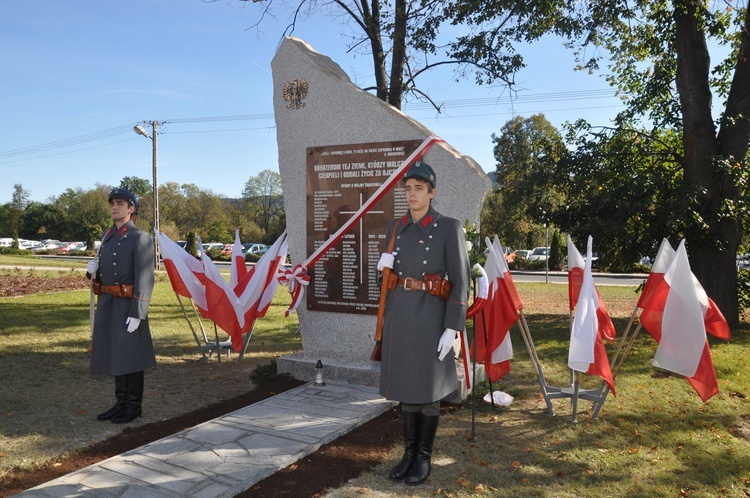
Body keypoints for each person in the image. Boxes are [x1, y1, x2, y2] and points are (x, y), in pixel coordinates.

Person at [376, 161, 470, 486]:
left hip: (432, 316)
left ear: (432, 192)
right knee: (406, 386)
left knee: (428, 390)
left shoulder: (448, 227)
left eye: (419, 188)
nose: (412, 194)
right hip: (400, 315)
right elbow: (385, 286)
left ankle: (424, 458)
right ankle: (408, 453)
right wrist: (381, 270)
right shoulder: (395, 227)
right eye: (408, 188)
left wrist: (453, 326)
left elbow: (461, 280)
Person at [86, 187, 156, 424]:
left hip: (128, 307)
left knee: (131, 356)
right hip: (109, 304)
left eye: (120, 203)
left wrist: (138, 312)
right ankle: (121, 403)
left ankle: (134, 406)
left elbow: (145, 277)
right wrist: (91, 273)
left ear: (131, 208)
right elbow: (105, 272)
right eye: (112, 203)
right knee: (117, 354)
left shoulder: (140, 237)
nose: (114, 207)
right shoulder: (108, 237)